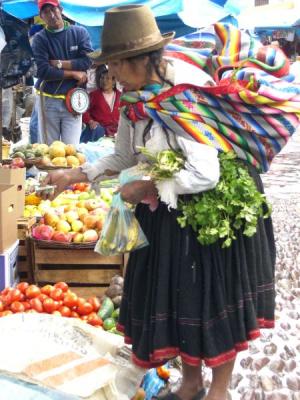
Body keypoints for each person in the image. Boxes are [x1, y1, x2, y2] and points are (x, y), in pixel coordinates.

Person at [43, 5, 278, 400]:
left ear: (141, 59)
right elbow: (123, 156)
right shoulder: (136, 96)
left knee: (210, 300)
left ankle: (218, 392)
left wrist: (147, 187)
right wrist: (79, 174)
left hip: (209, 209)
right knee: (177, 298)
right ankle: (190, 384)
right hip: (167, 208)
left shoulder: (182, 93)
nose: (112, 75)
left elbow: (206, 173)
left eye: (116, 64)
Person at [31, 0, 93, 145]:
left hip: (74, 101)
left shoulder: (79, 32)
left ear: (61, 9)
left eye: (54, 9)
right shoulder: (40, 39)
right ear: (41, 16)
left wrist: (59, 63)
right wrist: (73, 73)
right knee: (48, 150)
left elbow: (87, 61)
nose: (52, 15)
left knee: (72, 151)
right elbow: (42, 70)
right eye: (46, 12)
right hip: (48, 100)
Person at [80, 64, 121, 142]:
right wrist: (90, 121)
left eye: (107, 78)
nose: (104, 81)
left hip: (116, 132)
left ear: (113, 81)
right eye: (102, 78)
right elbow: (84, 110)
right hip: (98, 130)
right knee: (97, 130)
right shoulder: (94, 95)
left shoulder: (120, 96)